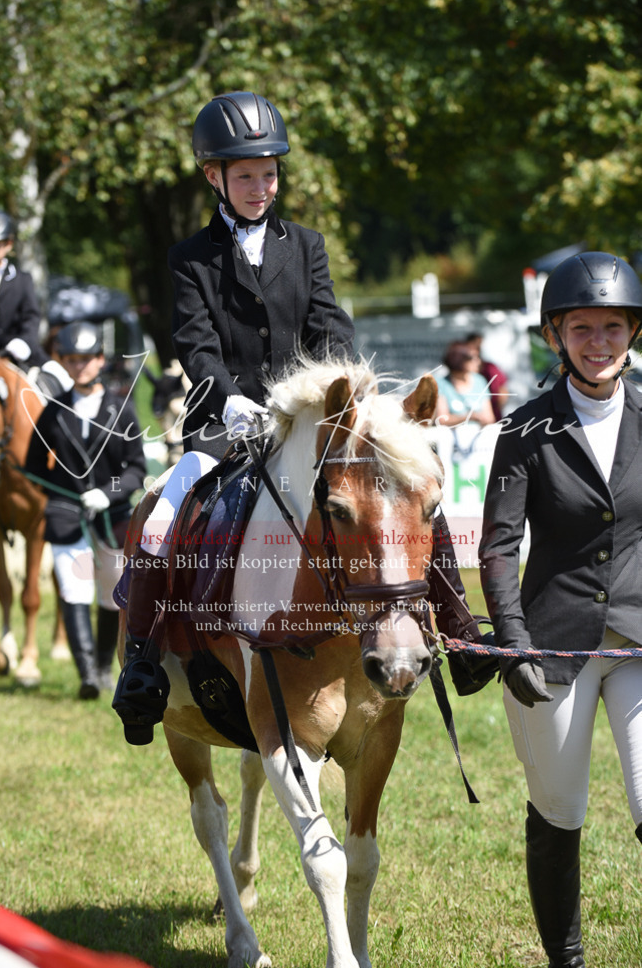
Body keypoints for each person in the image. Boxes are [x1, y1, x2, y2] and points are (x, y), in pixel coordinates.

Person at [112, 90, 492, 746]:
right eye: (246, 175)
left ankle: (459, 635)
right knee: (162, 515)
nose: (262, 186)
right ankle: (142, 663)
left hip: (311, 425)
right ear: (215, 176)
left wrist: (353, 392)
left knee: (409, 490)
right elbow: (195, 344)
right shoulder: (189, 258)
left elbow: (330, 329)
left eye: (270, 172)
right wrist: (231, 397)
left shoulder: (307, 246)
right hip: (224, 426)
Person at [478, 251, 642, 968]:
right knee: (561, 814)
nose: (599, 342)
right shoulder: (525, 428)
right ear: (556, 335)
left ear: (633, 332)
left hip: (641, 641)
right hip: (555, 646)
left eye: (613, 327)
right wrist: (511, 641)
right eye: (583, 328)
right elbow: (500, 545)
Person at [25, 321, 146, 699]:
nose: (79, 367)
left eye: (86, 360)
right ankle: (87, 677)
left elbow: (136, 468)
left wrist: (107, 494)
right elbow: (33, 466)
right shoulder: (53, 410)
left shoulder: (121, 408)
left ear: (100, 360)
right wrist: (62, 494)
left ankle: (101, 666)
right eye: (71, 360)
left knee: (111, 592)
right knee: (74, 589)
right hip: (65, 512)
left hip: (113, 512)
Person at [0, 209, 71, 396]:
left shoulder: (23, 280)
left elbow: (32, 316)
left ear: (8, 244)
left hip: (24, 354)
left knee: (64, 381)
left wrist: (24, 342)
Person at [435, 339, 495, 427]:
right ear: (459, 360)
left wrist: (482, 420)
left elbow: (490, 418)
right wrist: (469, 417)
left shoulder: (480, 380)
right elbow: (442, 420)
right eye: (472, 358)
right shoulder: (442, 383)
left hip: (479, 433)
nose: (478, 361)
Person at [465, 331, 509, 422]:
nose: (477, 349)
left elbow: (503, 391)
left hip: (492, 418)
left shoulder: (491, 368)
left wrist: (493, 409)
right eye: (474, 345)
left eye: (479, 346)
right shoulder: (463, 372)